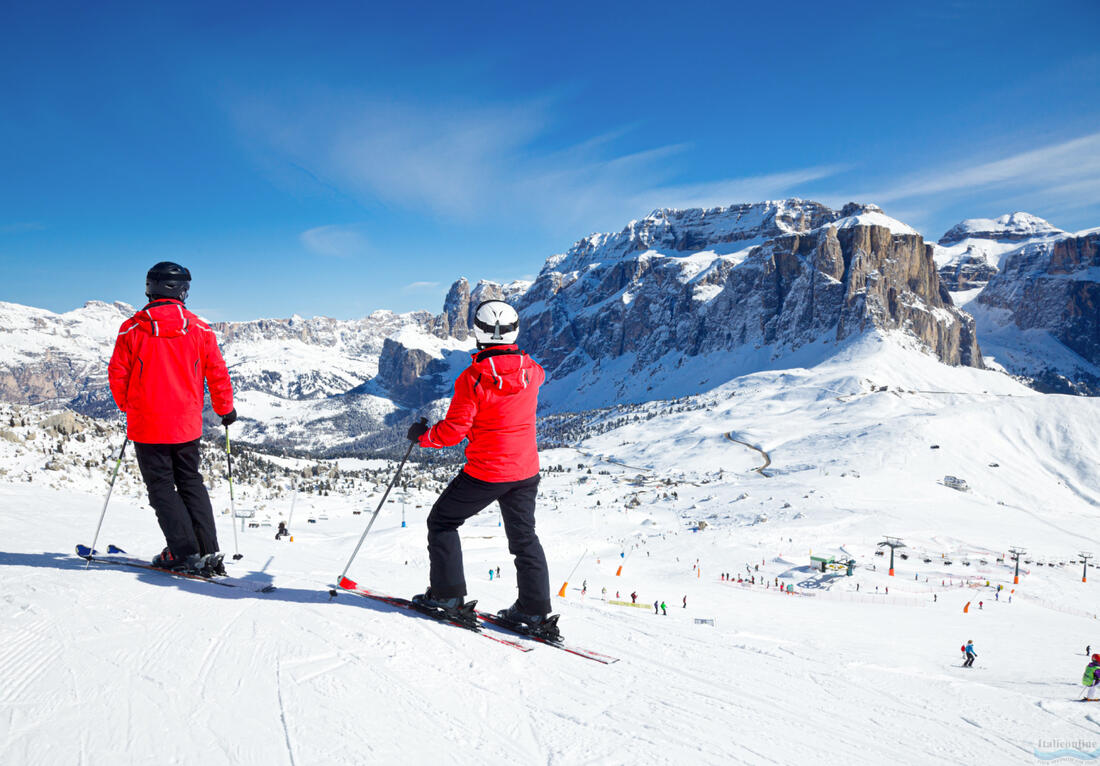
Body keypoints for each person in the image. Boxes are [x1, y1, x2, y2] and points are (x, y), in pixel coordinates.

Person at [406, 301, 556, 636]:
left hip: (487, 471)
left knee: (442, 521)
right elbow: (524, 381)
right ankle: (534, 611)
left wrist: (422, 437)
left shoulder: (472, 379)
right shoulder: (534, 371)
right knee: (524, 538)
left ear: (478, 332)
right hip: (526, 471)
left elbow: (452, 433)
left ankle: (447, 596)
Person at [108, 262, 236, 573]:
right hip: (186, 423)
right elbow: (216, 373)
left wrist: (130, 406)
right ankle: (208, 551)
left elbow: (118, 374)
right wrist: (225, 409)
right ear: (180, 291)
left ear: (151, 288)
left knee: (162, 487)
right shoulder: (199, 329)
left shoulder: (132, 328)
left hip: (147, 424)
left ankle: (184, 552)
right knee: (191, 481)